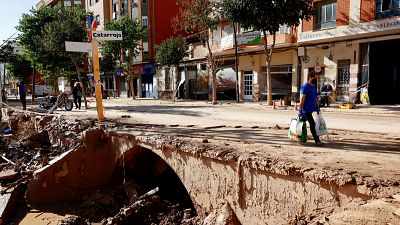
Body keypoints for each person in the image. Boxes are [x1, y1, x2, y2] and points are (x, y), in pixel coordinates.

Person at [299, 71, 324, 146]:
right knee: (312, 124)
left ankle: (301, 137)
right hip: (305, 110)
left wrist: (317, 106)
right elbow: (302, 99)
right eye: (315, 78)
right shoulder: (305, 87)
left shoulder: (313, 87)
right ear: (310, 78)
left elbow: (315, 98)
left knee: (301, 123)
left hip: (310, 109)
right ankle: (317, 140)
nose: (316, 79)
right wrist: (300, 110)